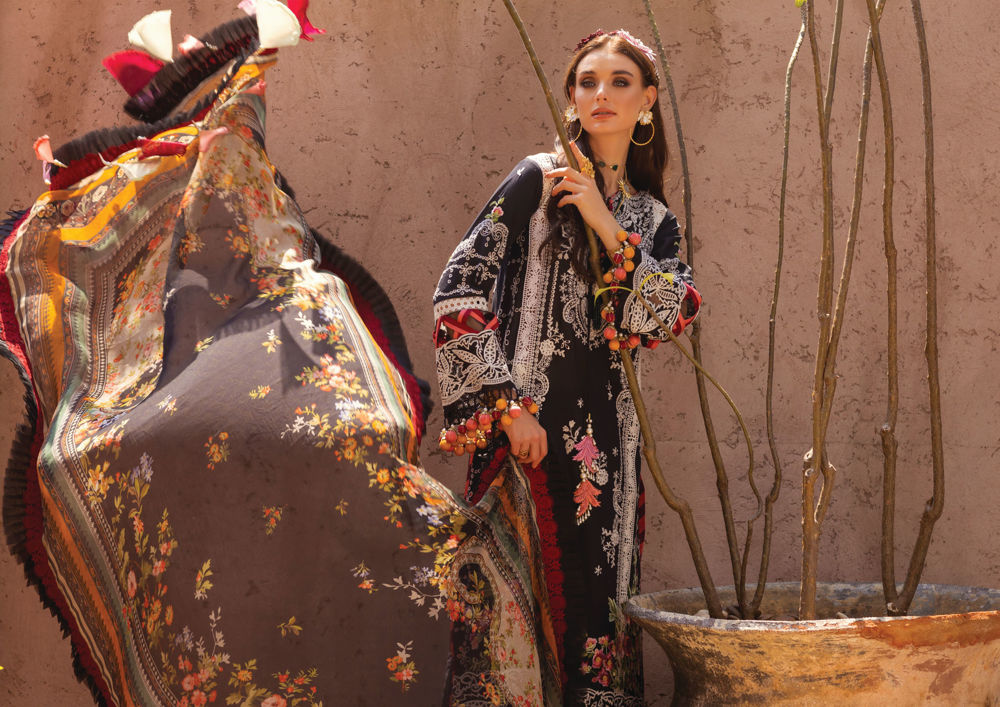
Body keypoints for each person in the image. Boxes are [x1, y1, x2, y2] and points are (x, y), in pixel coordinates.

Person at [433, 29, 702, 704]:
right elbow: (459, 289)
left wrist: (606, 224)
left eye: (619, 82)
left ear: (648, 101)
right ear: (571, 98)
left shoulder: (654, 221)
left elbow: (665, 317)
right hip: (525, 438)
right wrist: (506, 408)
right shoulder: (538, 178)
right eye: (587, 82)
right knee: (505, 630)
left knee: (595, 622)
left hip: (608, 459)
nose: (600, 94)